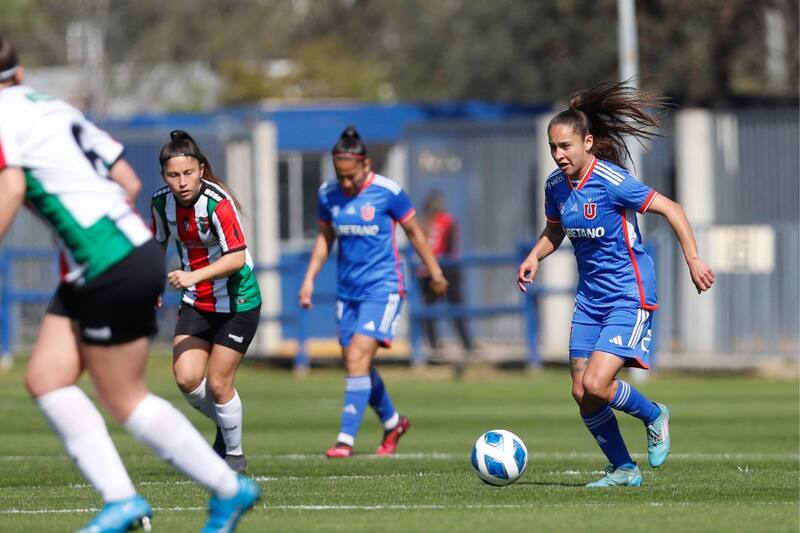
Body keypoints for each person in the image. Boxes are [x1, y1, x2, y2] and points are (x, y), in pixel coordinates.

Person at [0, 36, 259, 532]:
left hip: (110, 261)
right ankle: (123, 500)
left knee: (124, 398)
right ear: (21, 71)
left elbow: (12, 187)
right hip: (117, 255)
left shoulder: (4, 119)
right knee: (46, 379)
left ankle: (227, 487)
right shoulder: (50, 107)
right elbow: (129, 181)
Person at [517, 81, 714, 487]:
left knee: (597, 382)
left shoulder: (611, 180)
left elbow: (671, 209)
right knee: (581, 391)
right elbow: (554, 232)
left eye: (566, 146)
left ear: (587, 142)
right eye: (553, 148)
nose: (558, 155)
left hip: (629, 293)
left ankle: (654, 414)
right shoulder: (556, 187)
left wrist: (693, 259)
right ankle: (624, 469)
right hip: (590, 300)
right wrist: (534, 255)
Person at [299, 126, 449, 458]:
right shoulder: (328, 194)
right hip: (347, 293)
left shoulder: (388, 191)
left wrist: (435, 271)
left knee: (357, 358)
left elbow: (415, 232)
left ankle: (344, 440)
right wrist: (310, 278)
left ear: (366, 164)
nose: (346, 183)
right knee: (356, 364)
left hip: (383, 288)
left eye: (351, 176)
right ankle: (393, 422)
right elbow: (325, 238)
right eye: (341, 176)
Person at [151, 130, 262, 475]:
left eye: (188, 173)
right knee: (186, 378)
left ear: (201, 169)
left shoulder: (218, 202)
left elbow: (237, 258)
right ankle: (229, 425)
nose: (181, 182)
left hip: (238, 301)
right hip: (197, 301)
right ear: (164, 177)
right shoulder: (160, 203)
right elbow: (157, 244)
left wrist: (192, 276)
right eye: (173, 175)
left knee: (218, 384)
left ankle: (235, 456)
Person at [417, 190, 473, 354]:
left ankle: (465, 343)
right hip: (438, 271)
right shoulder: (429, 222)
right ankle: (436, 343)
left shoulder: (437, 221)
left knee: (454, 307)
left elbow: (449, 247)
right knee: (431, 308)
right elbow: (448, 248)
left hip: (439, 270)